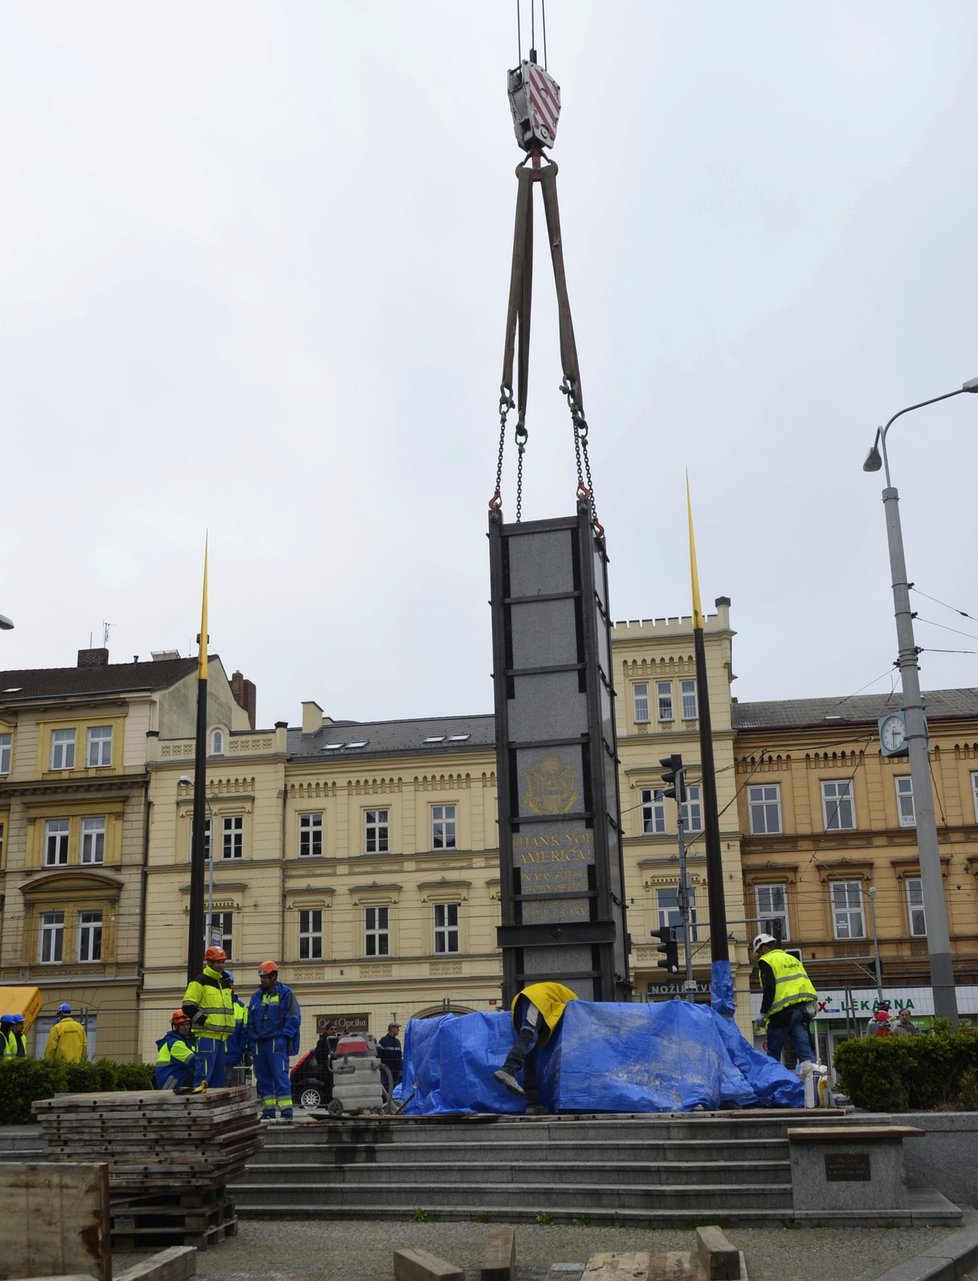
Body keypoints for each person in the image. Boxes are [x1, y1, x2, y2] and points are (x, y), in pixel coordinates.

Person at [494, 981, 578, 1113]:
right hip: (536, 1001)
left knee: (530, 1056)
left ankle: (532, 1102)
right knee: (529, 1033)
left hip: (523, 1003)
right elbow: (575, 1020)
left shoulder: (556, 992)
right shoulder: (574, 999)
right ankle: (509, 1068)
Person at [752, 934, 818, 1065]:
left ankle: (772, 1082)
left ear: (764, 948)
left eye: (759, 952)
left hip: (782, 1013)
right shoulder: (791, 958)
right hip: (802, 1010)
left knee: (773, 1053)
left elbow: (769, 989)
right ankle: (814, 1080)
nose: (759, 955)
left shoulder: (766, 961)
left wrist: (763, 1013)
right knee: (805, 1052)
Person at [248, 961, 301, 1122]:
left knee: (280, 1076)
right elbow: (250, 1019)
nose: (262, 980)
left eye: (265, 977)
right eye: (261, 977)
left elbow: (294, 1017)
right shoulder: (257, 996)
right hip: (259, 1042)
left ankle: (286, 1112)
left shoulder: (286, 993)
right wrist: (251, 1040)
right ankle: (268, 1110)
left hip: (276, 1041)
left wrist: (284, 1037)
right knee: (263, 1078)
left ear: (274, 976)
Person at [182, 944, 235, 1089]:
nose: (220, 965)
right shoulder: (199, 982)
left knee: (218, 1080)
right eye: (217, 962)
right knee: (203, 1077)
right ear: (209, 963)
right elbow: (188, 1006)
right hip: (207, 1036)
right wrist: (204, 1022)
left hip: (221, 1037)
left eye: (223, 962)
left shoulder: (224, 983)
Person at [154, 1010, 198, 1092]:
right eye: (182, 1025)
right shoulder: (175, 1043)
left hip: (175, 1078)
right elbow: (194, 1061)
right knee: (201, 1079)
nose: (186, 1027)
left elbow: (198, 1055)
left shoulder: (184, 1042)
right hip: (172, 1083)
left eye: (187, 1024)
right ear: (175, 1026)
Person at [224, 973, 251, 1075]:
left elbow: (244, 1033)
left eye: (228, 983)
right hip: (216, 1054)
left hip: (232, 1054)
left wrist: (240, 1051)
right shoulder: (212, 1002)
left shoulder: (240, 1006)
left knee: (229, 1084)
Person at [377, 1023, 403, 1087]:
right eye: (397, 1028)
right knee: (386, 1090)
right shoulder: (383, 1040)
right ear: (391, 1029)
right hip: (386, 1072)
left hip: (395, 1073)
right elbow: (378, 1055)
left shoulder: (397, 1042)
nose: (398, 1030)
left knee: (394, 1092)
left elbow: (399, 1056)